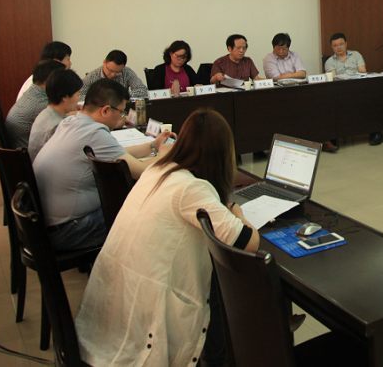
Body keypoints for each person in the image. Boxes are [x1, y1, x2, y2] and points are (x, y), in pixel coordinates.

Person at [74, 109, 260, 367]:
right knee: (223, 279)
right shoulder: (192, 187)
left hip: (113, 303)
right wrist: (237, 213)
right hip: (148, 312)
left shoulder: (158, 169)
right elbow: (248, 242)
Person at [33, 79, 173, 252]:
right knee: (148, 212)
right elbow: (143, 171)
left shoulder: (72, 122)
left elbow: (117, 153)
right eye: (121, 112)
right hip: (69, 230)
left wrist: (152, 145)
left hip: (48, 225)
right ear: (106, 110)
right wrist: (166, 153)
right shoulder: (94, 133)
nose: (121, 117)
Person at [323, 33, 382, 147]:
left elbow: (362, 71)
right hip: (341, 91)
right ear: (332, 47)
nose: (338, 47)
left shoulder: (356, 55)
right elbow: (334, 79)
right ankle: (333, 136)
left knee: (373, 97)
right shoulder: (329, 61)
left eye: (341, 44)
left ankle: (375, 132)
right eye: (335, 45)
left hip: (358, 87)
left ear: (346, 44)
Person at [6, 60, 67, 148]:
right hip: (27, 153)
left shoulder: (31, 94)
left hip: (21, 148)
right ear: (51, 80)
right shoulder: (41, 103)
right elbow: (66, 124)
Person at [28, 68, 83, 160]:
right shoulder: (56, 127)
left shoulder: (45, 113)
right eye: (78, 95)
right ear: (64, 97)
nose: (79, 99)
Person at [79, 50, 149, 100]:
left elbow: (142, 90)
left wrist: (120, 95)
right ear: (104, 63)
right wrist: (100, 98)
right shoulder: (92, 76)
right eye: (110, 71)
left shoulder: (127, 72)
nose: (112, 75)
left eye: (117, 72)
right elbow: (80, 95)